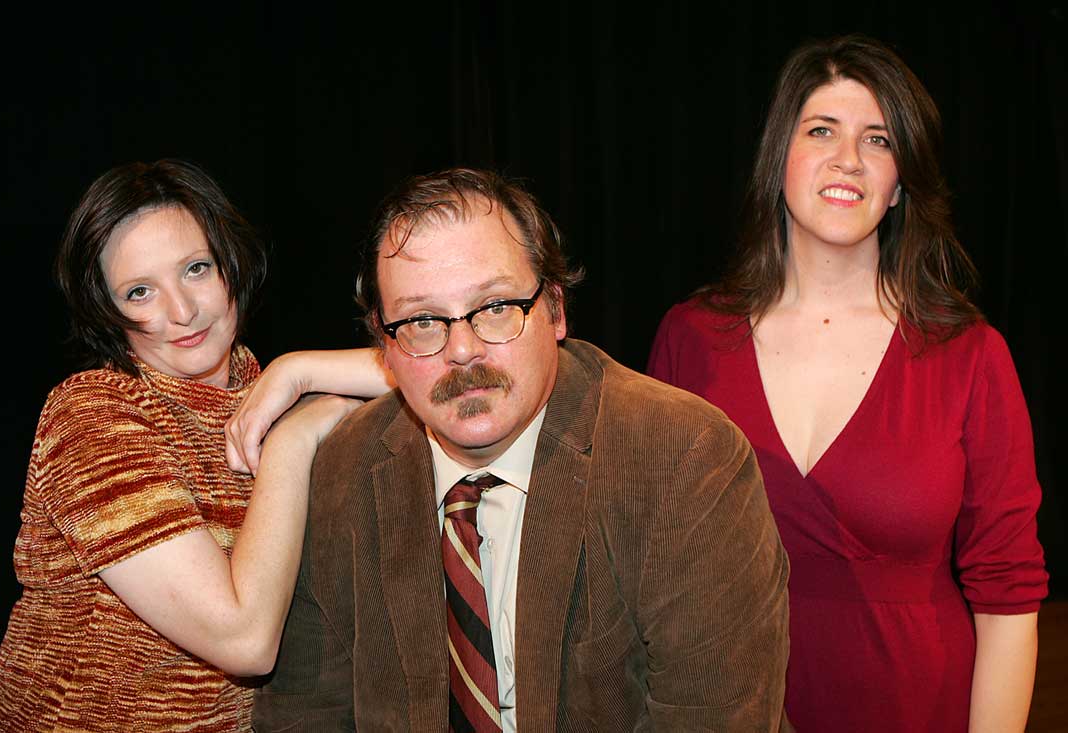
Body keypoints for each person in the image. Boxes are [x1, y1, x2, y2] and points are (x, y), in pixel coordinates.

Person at [242, 167, 792, 731]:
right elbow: (304, 716)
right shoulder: (343, 471)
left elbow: (714, 719)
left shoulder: (685, 458)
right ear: (386, 346)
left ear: (555, 309)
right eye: (423, 320)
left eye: (496, 307)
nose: (463, 349)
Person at [647, 35, 1047, 733]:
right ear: (780, 159)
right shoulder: (691, 339)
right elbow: (645, 562)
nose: (848, 160)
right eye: (822, 130)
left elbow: (1008, 599)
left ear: (901, 185)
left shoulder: (971, 355)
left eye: (879, 140)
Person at [0, 159, 390, 732]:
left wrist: (298, 369)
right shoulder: (95, 415)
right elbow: (242, 641)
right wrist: (293, 437)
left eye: (196, 269)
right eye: (139, 291)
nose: (181, 311)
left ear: (231, 266)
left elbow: (449, 364)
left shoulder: (259, 391)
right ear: (106, 309)